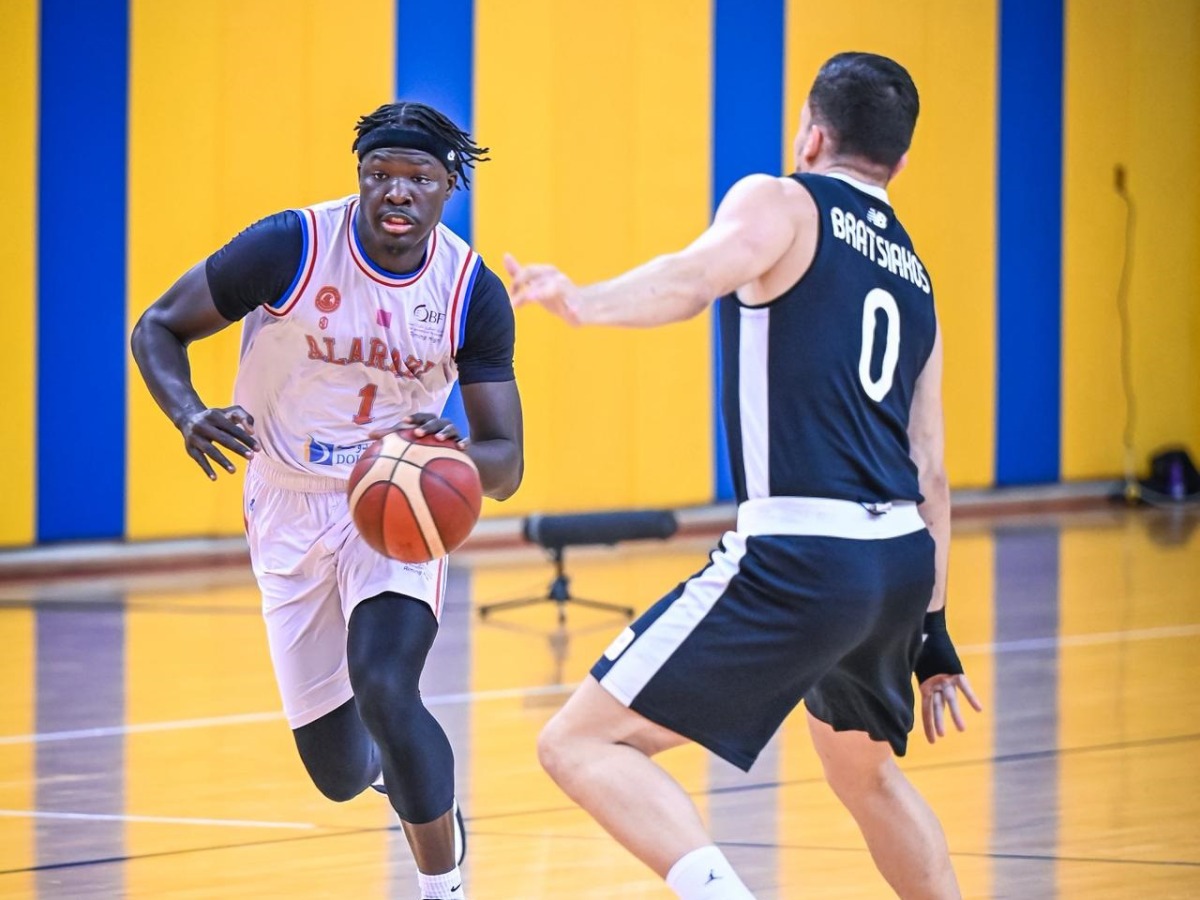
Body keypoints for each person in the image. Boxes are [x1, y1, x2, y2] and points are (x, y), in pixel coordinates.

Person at [507, 52, 982, 899]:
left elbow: (695, 279)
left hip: (804, 555)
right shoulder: (918, 278)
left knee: (578, 744)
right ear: (900, 163)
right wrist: (934, 630)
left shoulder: (784, 200)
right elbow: (934, 471)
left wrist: (585, 301)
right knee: (864, 776)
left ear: (813, 133)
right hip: (900, 563)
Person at [131, 101, 523, 900]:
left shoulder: (471, 292)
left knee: (386, 684)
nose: (396, 192)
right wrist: (189, 412)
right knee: (339, 772)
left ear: (449, 185)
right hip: (284, 498)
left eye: (418, 177)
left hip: (391, 505)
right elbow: (158, 327)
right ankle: (414, 787)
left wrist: (446, 452)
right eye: (379, 174)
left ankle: (441, 884)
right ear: (360, 179)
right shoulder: (291, 245)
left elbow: (506, 459)